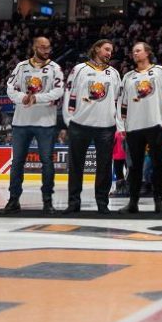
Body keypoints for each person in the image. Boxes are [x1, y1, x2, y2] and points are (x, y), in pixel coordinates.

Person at [3, 36, 64, 215]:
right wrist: (22, 98)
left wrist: (36, 98)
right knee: (17, 163)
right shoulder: (21, 67)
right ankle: (13, 200)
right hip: (21, 122)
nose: (47, 50)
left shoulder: (55, 68)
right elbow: (10, 88)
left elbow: (58, 91)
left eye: (48, 47)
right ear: (34, 47)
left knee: (47, 162)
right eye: (43, 47)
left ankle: (47, 201)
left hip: (45, 122)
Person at [62, 39, 123, 214]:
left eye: (111, 50)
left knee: (104, 166)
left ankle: (102, 204)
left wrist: (119, 124)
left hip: (106, 126)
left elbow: (118, 101)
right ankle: (74, 203)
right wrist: (69, 119)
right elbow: (69, 93)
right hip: (80, 124)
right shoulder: (79, 69)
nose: (109, 53)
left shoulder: (114, 73)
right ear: (96, 49)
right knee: (76, 166)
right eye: (106, 49)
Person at [119, 42, 162, 214]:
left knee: (158, 164)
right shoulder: (127, 76)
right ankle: (133, 202)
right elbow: (122, 103)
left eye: (138, 50)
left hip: (155, 124)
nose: (134, 53)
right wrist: (121, 125)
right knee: (134, 167)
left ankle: (159, 202)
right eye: (133, 50)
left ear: (147, 52)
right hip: (133, 127)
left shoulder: (161, 71)